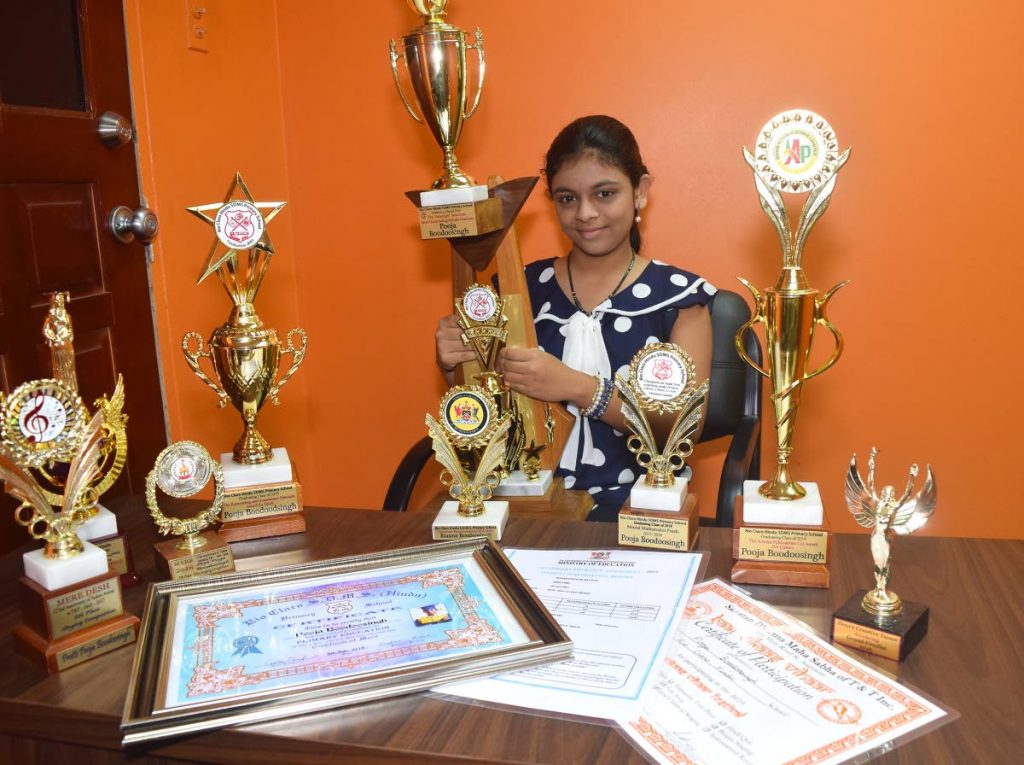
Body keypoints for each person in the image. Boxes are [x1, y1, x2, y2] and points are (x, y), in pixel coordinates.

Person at [436, 115, 715, 519]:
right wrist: (452, 362)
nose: (585, 213)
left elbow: (683, 425)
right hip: (529, 505)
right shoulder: (519, 288)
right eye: (567, 198)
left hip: (639, 510)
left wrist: (576, 387)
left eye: (604, 194)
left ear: (640, 191)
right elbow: (483, 407)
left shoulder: (679, 298)